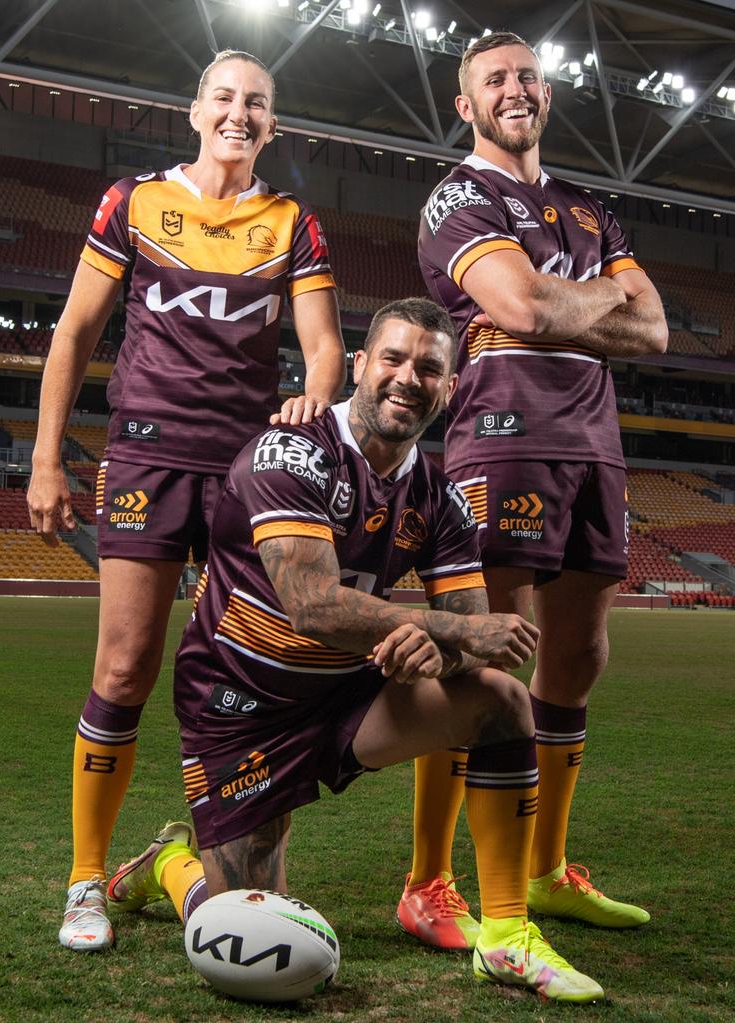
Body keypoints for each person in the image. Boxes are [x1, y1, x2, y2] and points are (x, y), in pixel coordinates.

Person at [105, 299, 605, 1003]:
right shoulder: (292, 449)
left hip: (349, 694)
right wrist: (450, 633)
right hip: (242, 706)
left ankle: (506, 936)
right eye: (394, 360)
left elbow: (476, 643)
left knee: (499, 701)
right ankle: (171, 868)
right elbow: (312, 604)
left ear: (450, 388)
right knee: (248, 938)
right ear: (361, 367)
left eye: (430, 368)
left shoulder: (441, 497)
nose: (409, 378)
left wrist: (433, 653)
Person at [27, 50, 347, 952]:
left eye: (258, 103)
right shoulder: (132, 202)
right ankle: (85, 880)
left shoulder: (293, 222)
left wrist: (313, 394)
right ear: (195, 111)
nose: (239, 113)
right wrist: (48, 458)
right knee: (126, 667)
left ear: (272, 125)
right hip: (145, 459)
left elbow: (324, 349)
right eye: (225, 98)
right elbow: (76, 332)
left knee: (261, 673)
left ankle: (248, 865)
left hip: (248, 471)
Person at [400, 31, 668, 949]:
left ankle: (547, 871)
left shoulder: (592, 210)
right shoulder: (458, 196)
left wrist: (562, 302)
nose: (515, 88)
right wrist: (590, 304)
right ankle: (430, 881)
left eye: (527, 75)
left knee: (579, 657)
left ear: (546, 94)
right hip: (504, 440)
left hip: (595, 446)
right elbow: (523, 309)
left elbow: (658, 329)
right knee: (485, 660)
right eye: (493, 80)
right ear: (466, 107)